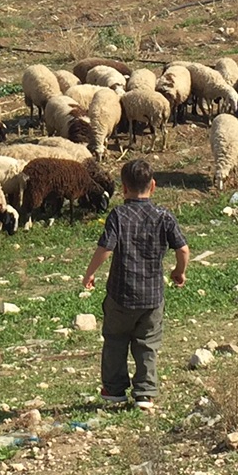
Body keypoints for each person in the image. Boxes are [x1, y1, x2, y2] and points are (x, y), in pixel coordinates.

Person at [82, 157, 189, 409]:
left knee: (115, 339)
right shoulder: (164, 216)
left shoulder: (119, 215)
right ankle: (145, 392)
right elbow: (183, 249)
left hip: (121, 294)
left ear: (123, 188)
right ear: (153, 186)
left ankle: (114, 389)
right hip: (152, 297)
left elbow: (105, 249)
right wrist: (179, 271)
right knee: (147, 343)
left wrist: (89, 273)